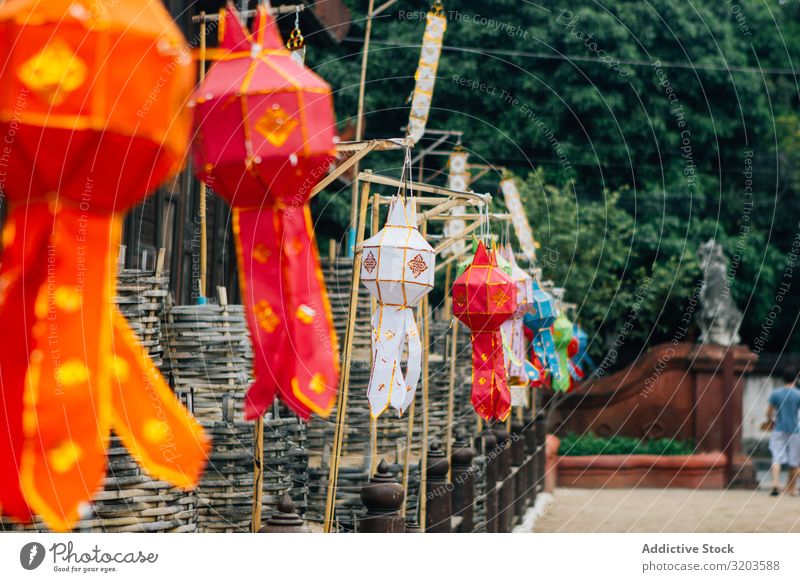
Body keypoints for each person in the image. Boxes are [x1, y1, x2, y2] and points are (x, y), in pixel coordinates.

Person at [765, 369, 800, 496]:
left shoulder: (776, 394)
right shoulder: (798, 394)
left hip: (779, 429)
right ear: (795, 379)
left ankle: (775, 483)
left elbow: (768, 413)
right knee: (794, 461)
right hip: (795, 431)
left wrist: (771, 420)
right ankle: (791, 489)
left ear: (782, 379)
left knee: (776, 458)